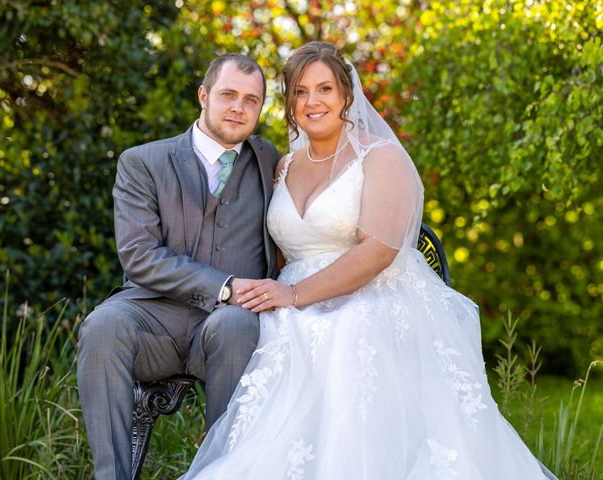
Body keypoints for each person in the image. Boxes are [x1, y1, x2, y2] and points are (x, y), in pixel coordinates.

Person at [178, 42, 558, 479]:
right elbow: (276, 249)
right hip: (290, 300)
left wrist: (296, 294)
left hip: (370, 293)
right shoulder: (283, 165)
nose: (312, 101)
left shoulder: (380, 157)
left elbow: (378, 251)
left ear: (346, 94)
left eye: (324, 89)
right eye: (300, 92)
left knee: (348, 331)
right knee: (260, 332)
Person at [76, 53, 279, 479]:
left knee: (238, 324)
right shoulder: (143, 162)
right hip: (152, 320)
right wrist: (225, 286)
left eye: (251, 100)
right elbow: (139, 255)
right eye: (228, 95)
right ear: (203, 96)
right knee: (102, 326)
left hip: (228, 328)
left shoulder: (271, 162)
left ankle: (224, 472)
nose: (239, 108)